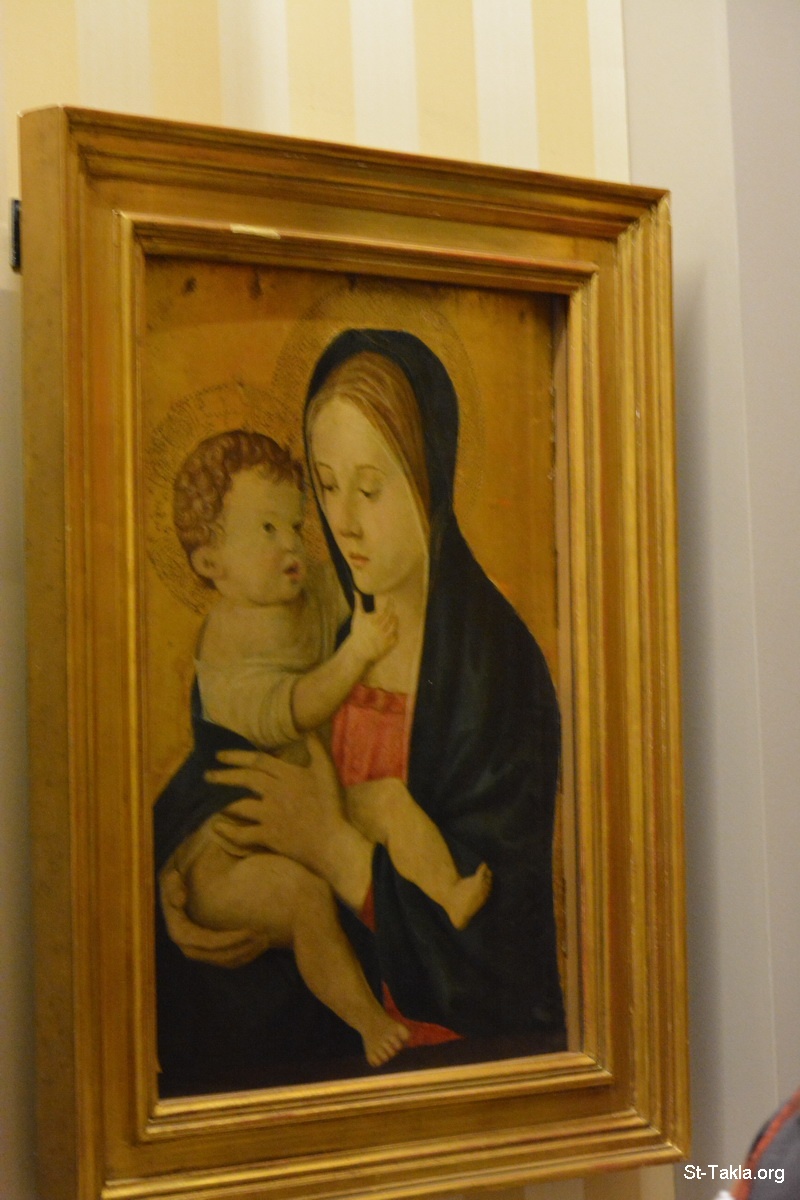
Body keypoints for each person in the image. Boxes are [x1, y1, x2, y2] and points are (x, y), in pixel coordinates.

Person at [155, 329, 565, 1093]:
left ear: (429, 479)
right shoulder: (322, 628)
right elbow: (222, 761)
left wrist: (335, 849)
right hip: (319, 1050)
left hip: (445, 1073)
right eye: (326, 486)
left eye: (369, 489)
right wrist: (176, 885)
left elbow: (506, 958)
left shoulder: (494, 671)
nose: (340, 521)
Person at [165, 428, 408, 1067]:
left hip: (304, 811)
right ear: (210, 564)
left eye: (294, 525)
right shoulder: (228, 645)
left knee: (388, 803)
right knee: (304, 898)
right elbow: (294, 709)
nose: (291, 544)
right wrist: (356, 653)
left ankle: (448, 895)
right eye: (266, 531)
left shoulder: (305, 590)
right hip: (229, 856)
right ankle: (367, 1021)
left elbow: (360, 591)